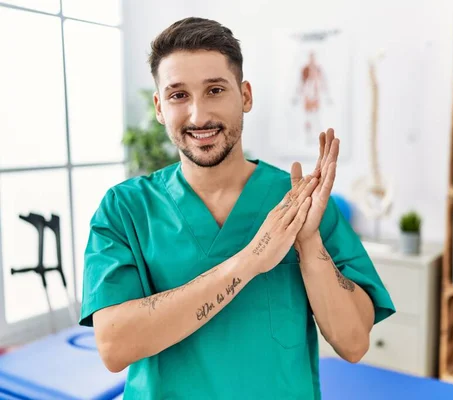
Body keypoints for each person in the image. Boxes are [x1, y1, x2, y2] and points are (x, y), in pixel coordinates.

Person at [79, 17, 396, 399]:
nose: (199, 115)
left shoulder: (299, 200)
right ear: (160, 107)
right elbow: (115, 346)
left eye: (215, 90)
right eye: (179, 95)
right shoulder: (125, 209)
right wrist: (250, 261)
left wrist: (309, 244)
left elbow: (353, 342)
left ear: (245, 95)